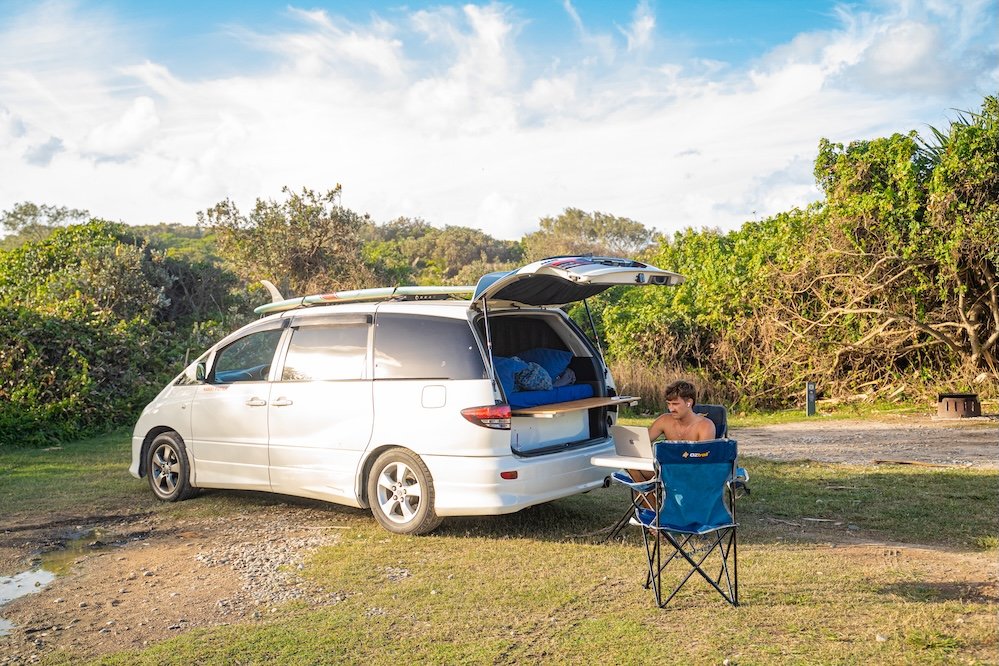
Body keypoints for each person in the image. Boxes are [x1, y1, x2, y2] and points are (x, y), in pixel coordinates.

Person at [628, 380, 716, 507]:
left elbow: (703, 459)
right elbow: (642, 441)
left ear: (689, 403)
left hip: (693, 474)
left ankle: (658, 518)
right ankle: (656, 515)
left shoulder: (705, 426)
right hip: (667, 470)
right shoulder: (664, 420)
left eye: (675, 404)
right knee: (633, 469)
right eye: (669, 404)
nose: (671, 408)